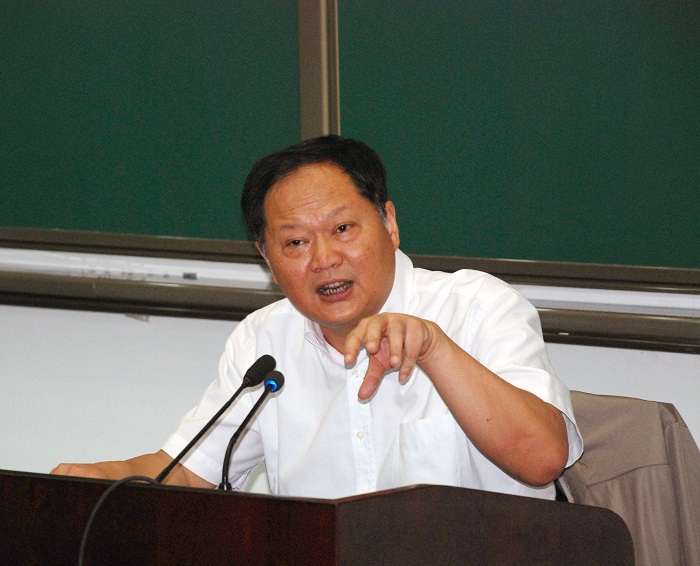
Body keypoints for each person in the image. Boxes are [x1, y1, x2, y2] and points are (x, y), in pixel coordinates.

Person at [52, 135, 583, 499]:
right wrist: (105, 476)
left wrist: (434, 348)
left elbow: (543, 460)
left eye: (342, 229)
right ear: (267, 257)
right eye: (296, 242)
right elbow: (189, 473)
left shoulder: (477, 307)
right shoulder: (264, 341)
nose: (324, 259)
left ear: (389, 223)